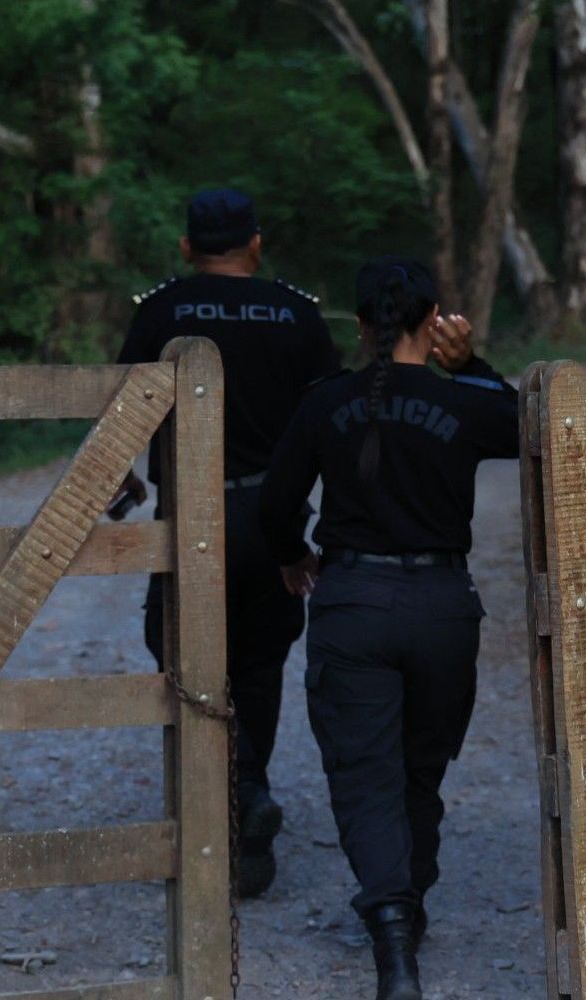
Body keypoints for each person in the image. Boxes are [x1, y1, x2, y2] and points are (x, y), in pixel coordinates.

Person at [257, 256, 518, 1000]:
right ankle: (409, 902)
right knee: (419, 769)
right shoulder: (462, 401)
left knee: (365, 772)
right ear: (432, 320)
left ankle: (393, 931)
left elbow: (276, 504)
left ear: (361, 323)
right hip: (442, 603)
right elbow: (530, 424)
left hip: (353, 600)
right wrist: (473, 364)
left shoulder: (324, 403)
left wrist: (292, 557)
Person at [112, 188, 342, 898]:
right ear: (256, 243)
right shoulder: (299, 313)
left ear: (186, 248)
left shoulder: (160, 310)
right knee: (261, 659)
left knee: (176, 648)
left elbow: (118, 409)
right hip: (273, 516)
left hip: (189, 517)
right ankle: (249, 810)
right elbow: (333, 416)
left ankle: (230, 796)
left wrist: (123, 478)